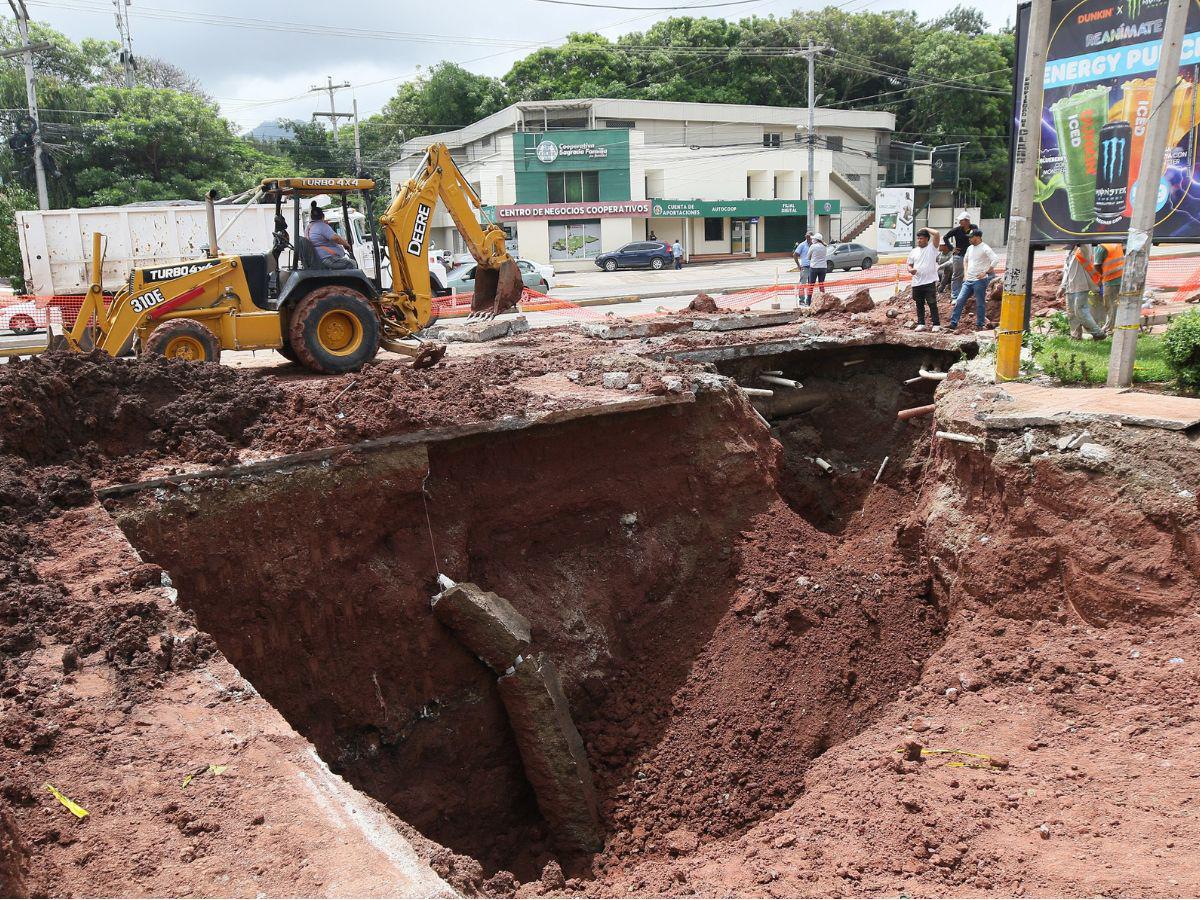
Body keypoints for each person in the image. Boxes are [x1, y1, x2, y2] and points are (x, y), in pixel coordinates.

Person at [948, 229, 998, 331]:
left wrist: (986, 272)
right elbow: (965, 260)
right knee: (960, 300)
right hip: (968, 280)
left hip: (979, 280)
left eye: (971, 237)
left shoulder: (985, 248)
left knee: (980, 303)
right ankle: (953, 323)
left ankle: (980, 324)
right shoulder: (970, 248)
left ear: (978, 237)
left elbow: (995, 259)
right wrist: (965, 273)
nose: (969, 239)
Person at [1062, 243, 1105, 340]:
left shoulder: (1083, 249)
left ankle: (1098, 333)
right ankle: (1075, 336)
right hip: (1070, 287)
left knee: (1081, 311)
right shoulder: (1069, 253)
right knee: (1071, 313)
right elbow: (1066, 270)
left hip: (1081, 285)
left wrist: (1079, 237)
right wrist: (1062, 286)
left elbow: (1085, 244)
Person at [907, 228, 941, 331]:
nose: (919, 240)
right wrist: (910, 270)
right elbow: (909, 265)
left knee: (932, 303)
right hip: (917, 282)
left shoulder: (932, 248)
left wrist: (925, 228)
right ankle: (921, 323)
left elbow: (937, 233)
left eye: (921, 238)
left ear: (927, 239)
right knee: (919, 304)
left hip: (929, 281)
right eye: (918, 238)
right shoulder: (914, 251)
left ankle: (936, 324)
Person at [306, 203, 353, 269]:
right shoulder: (322, 226)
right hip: (327, 258)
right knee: (351, 263)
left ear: (311, 217)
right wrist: (346, 244)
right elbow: (335, 238)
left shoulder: (309, 227)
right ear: (323, 216)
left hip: (319, 258)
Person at [1092, 242, 1124, 335]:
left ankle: (1110, 329)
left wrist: (1101, 277)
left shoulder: (1101, 247)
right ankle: (1113, 326)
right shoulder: (1116, 244)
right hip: (1121, 278)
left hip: (1110, 280)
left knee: (1110, 305)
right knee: (1117, 305)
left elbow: (1097, 265)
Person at [944, 215, 973, 299]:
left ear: (967, 220)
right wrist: (951, 248)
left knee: (971, 274)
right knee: (957, 275)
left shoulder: (973, 228)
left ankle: (968, 294)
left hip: (970, 256)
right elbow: (946, 237)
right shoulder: (956, 230)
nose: (959, 222)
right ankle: (955, 296)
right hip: (959, 255)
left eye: (961, 220)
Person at [793, 232, 813, 305]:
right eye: (808, 237)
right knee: (802, 284)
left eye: (810, 237)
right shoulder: (802, 245)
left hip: (812, 267)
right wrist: (798, 265)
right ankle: (801, 300)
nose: (809, 238)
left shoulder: (813, 245)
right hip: (805, 267)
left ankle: (809, 300)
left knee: (811, 284)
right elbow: (795, 255)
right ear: (806, 237)